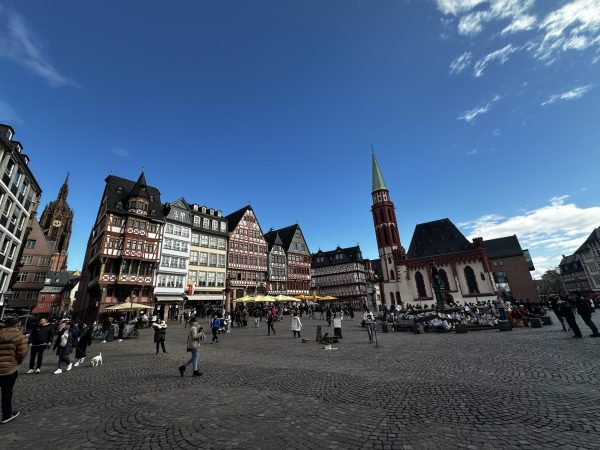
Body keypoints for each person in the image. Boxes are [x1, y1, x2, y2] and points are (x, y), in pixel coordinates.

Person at [0, 317, 28, 423]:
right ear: (18, 324)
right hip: (9, 370)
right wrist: (16, 362)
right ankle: (6, 415)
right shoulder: (20, 336)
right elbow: (22, 353)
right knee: (6, 393)